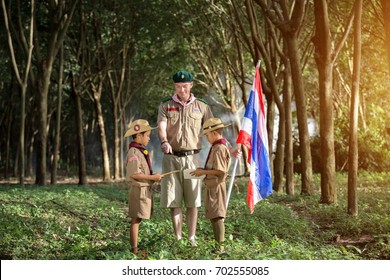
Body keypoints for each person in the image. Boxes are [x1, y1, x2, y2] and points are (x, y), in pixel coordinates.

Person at [157, 70, 213, 246]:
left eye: (185, 86)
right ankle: (178, 238)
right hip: (172, 158)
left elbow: (213, 129)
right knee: (174, 201)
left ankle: (191, 237)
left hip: (192, 159)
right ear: (174, 86)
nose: (182, 89)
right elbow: (161, 125)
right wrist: (164, 141)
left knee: (193, 201)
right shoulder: (166, 106)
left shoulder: (202, 106)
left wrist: (225, 147)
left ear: (191, 85)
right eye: (178, 86)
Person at [191, 118, 231, 252]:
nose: (207, 138)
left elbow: (221, 170)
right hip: (211, 185)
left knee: (218, 216)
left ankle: (220, 249)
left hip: (217, 186)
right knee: (214, 216)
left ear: (214, 133)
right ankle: (217, 247)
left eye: (207, 135)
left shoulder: (219, 148)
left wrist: (203, 171)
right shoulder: (216, 146)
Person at [124, 119, 163, 254]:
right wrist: (153, 178)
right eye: (147, 135)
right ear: (139, 135)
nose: (148, 138)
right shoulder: (134, 152)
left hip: (144, 190)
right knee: (136, 218)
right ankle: (134, 250)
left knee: (138, 218)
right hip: (138, 190)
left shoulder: (141, 151)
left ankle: (135, 248)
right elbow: (134, 174)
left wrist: (154, 177)